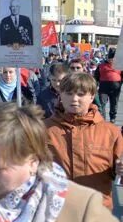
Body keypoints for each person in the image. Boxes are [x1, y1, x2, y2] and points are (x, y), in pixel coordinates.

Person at [45, 72, 123, 210]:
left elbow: (117, 174)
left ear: (92, 96)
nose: (74, 99)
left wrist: (119, 170)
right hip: (55, 210)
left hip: (97, 210)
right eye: (68, 93)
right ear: (61, 95)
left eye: (81, 94)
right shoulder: (43, 129)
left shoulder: (110, 132)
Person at [94, 48, 122, 122]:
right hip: (104, 88)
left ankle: (112, 118)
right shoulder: (101, 65)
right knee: (102, 103)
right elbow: (96, 76)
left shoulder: (119, 66)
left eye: (113, 59)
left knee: (114, 103)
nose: (111, 60)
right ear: (107, 58)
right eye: (110, 58)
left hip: (115, 88)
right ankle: (102, 118)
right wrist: (95, 85)